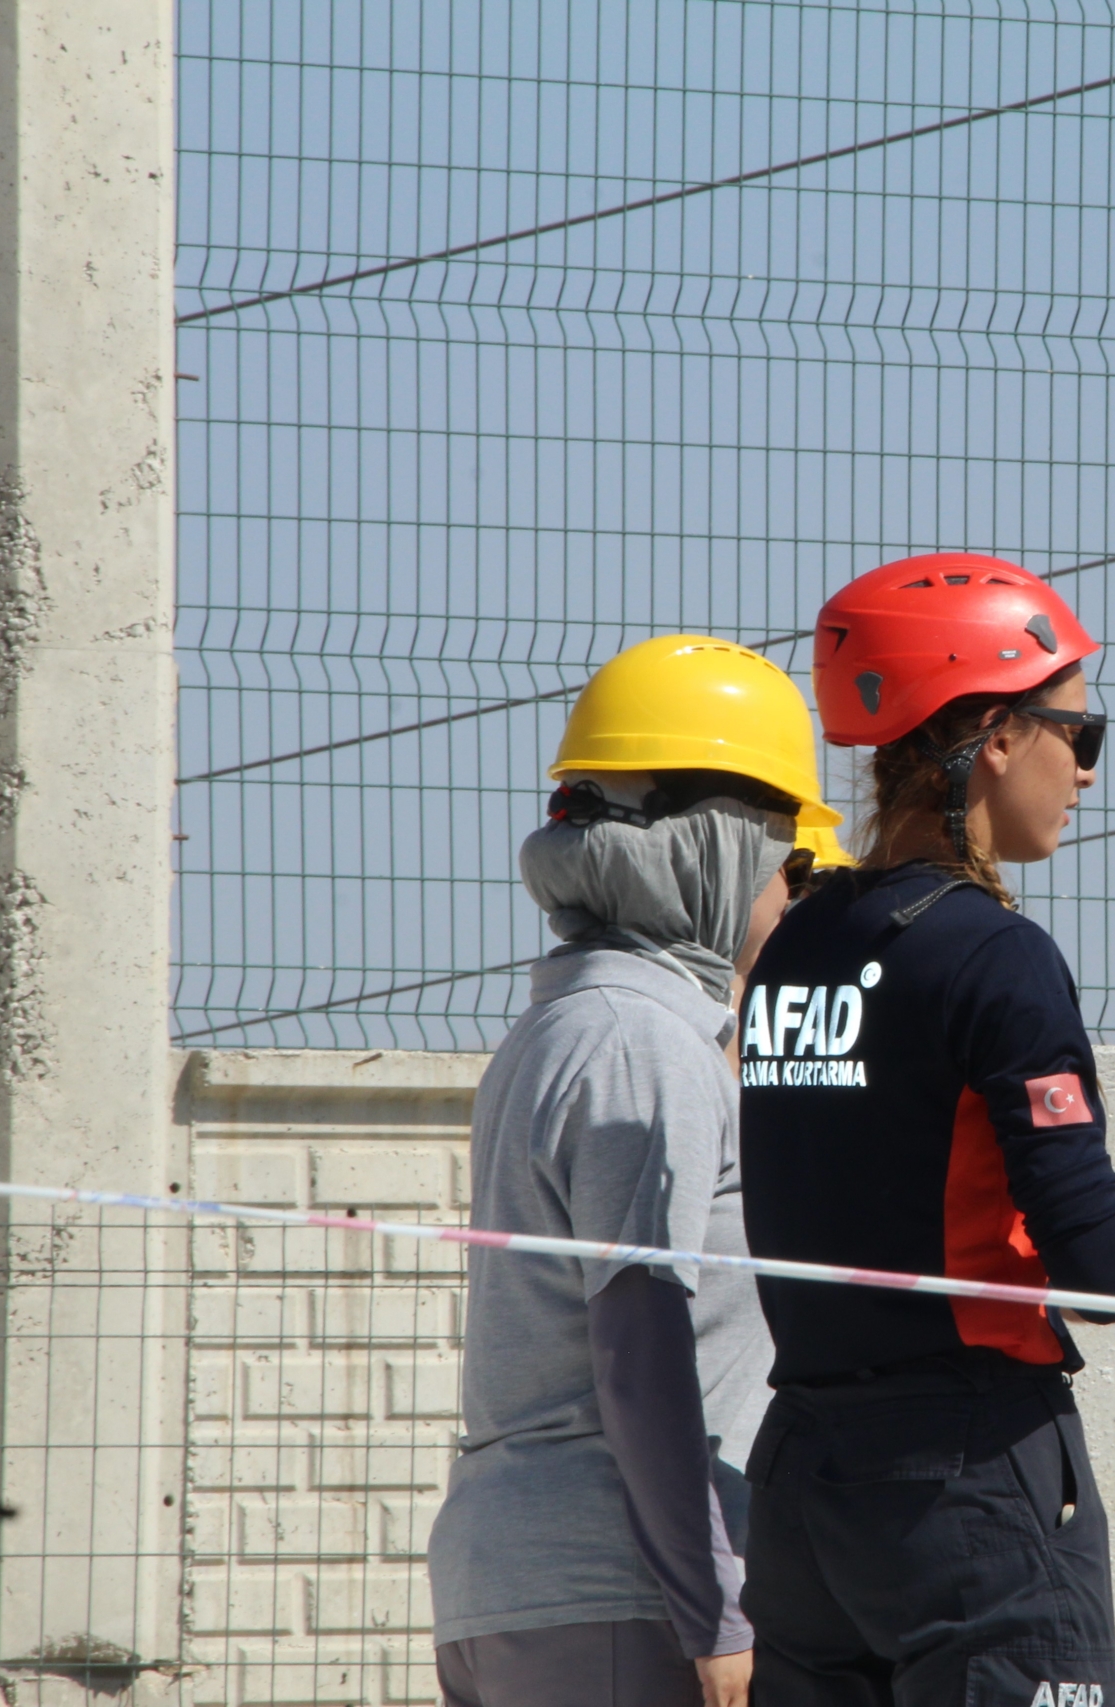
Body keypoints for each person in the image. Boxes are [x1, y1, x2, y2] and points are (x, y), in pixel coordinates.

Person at [738, 553, 1115, 1706]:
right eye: (1079, 731)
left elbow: (886, 1208)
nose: (1087, 772)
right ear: (996, 734)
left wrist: (1069, 1280)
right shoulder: (994, 953)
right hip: (963, 1477)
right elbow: (1109, 1269)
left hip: (804, 1480)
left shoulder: (797, 943)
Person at [429, 634, 843, 1707]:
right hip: (619, 1596)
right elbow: (635, 1337)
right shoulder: (642, 1041)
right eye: (789, 870)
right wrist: (713, 1608)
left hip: (541, 1590)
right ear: (718, 851)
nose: (791, 907)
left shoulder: (578, 1019)